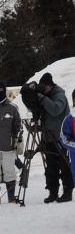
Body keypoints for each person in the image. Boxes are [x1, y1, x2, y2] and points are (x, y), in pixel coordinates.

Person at [37, 72, 73, 203]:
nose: (43, 90)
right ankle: (53, 192)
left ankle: (67, 192)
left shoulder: (59, 95)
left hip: (61, 137)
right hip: (49, 136)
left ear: (49, 85)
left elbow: (56, 110)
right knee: (51, 166)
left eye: (44, 87)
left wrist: (42, 99)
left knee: (64, 165)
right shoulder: (49, 95)